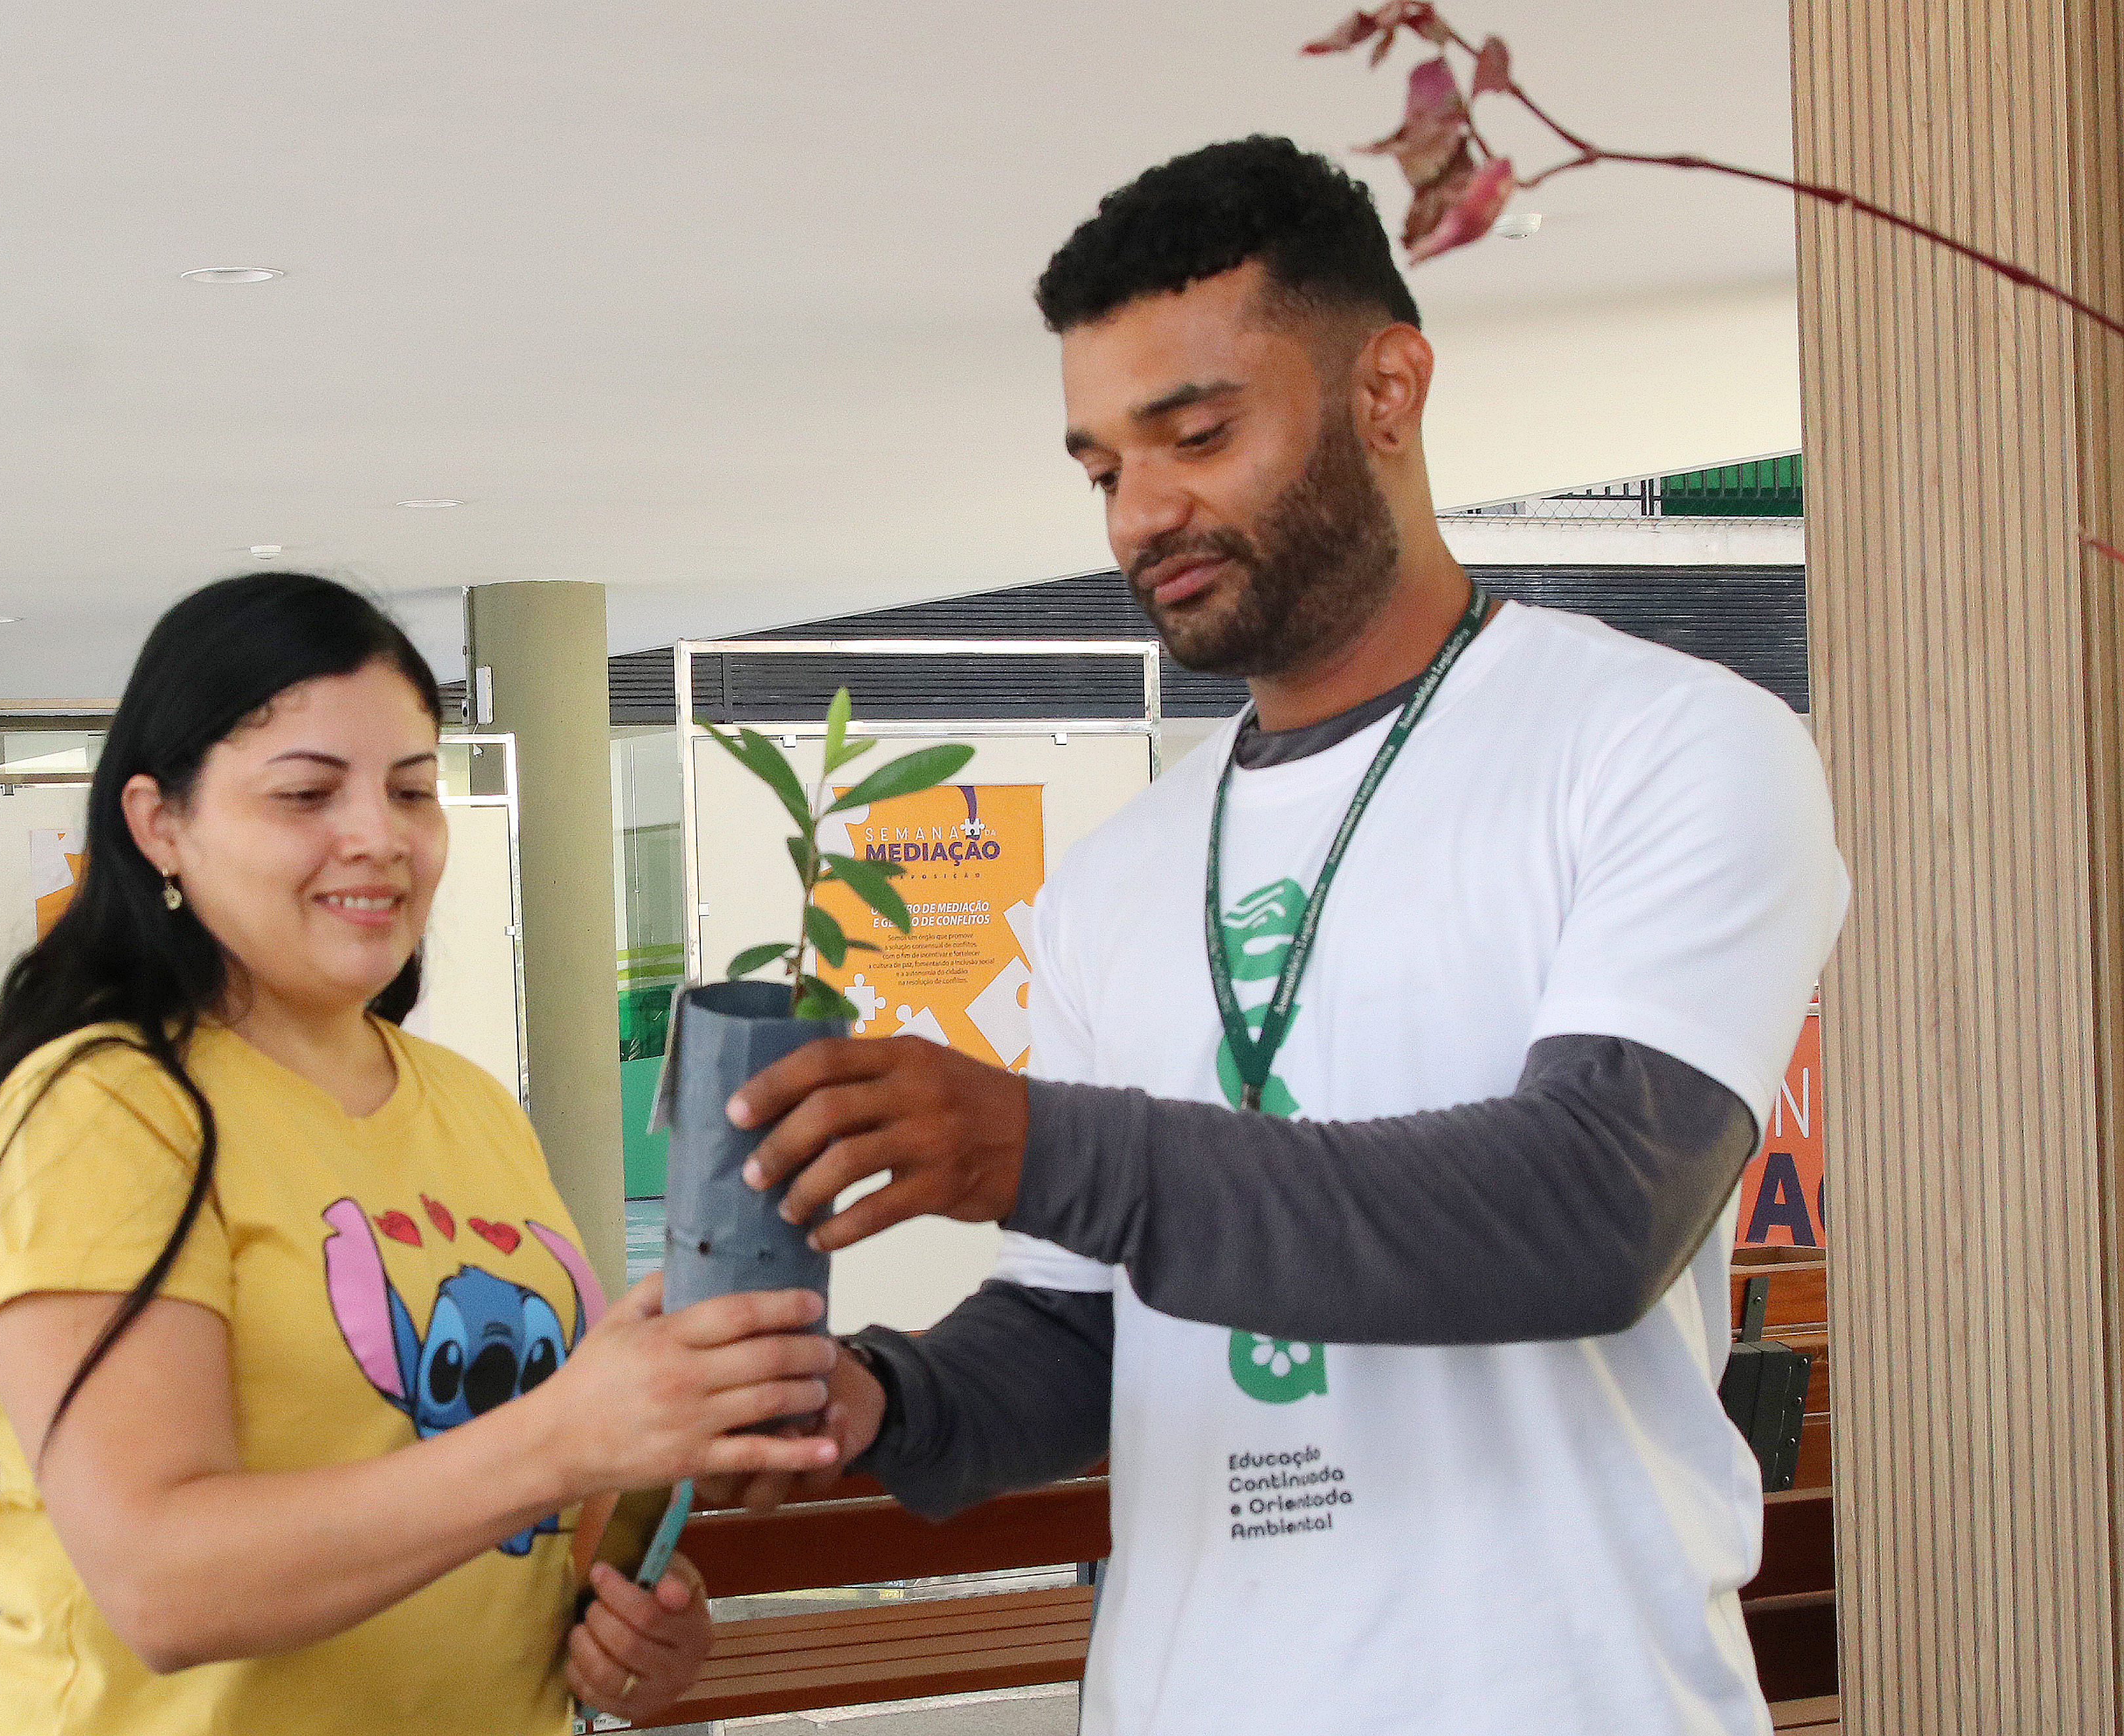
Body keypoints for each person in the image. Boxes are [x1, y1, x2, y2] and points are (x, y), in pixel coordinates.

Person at [717, 137, 1847, 1733]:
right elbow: (1075, 1335)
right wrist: (882, 1400)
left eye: (1197, 434)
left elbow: (1594, 1205)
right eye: (1103, 468)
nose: (1140, 516)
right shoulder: (1118, 877)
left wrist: (1040, 1145)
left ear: (1388, 388)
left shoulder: (1667, 743)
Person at [0, 573, 841, 1735]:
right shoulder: (103, 1111)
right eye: (306, 793)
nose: (379, 838)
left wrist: (624, 1612)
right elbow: (162, 1580)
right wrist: (561, 1441)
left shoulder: (466, 1106)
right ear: (160, 824)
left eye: (413, 790)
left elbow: (505, 1499)